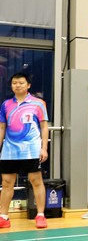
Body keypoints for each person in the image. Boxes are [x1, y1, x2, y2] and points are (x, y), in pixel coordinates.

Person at [0, 73, 50, 229]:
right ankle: (3, 216)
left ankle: (40, 215)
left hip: (31, 149)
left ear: (28, 85)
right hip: (10, 150)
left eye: (21, 82)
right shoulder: (6, 104)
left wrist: (44, 148)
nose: (17, 85)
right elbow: (2, 127)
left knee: (36, 181)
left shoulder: (38, 103)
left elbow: (44, 126)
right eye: (14, 83)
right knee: (6, 183)